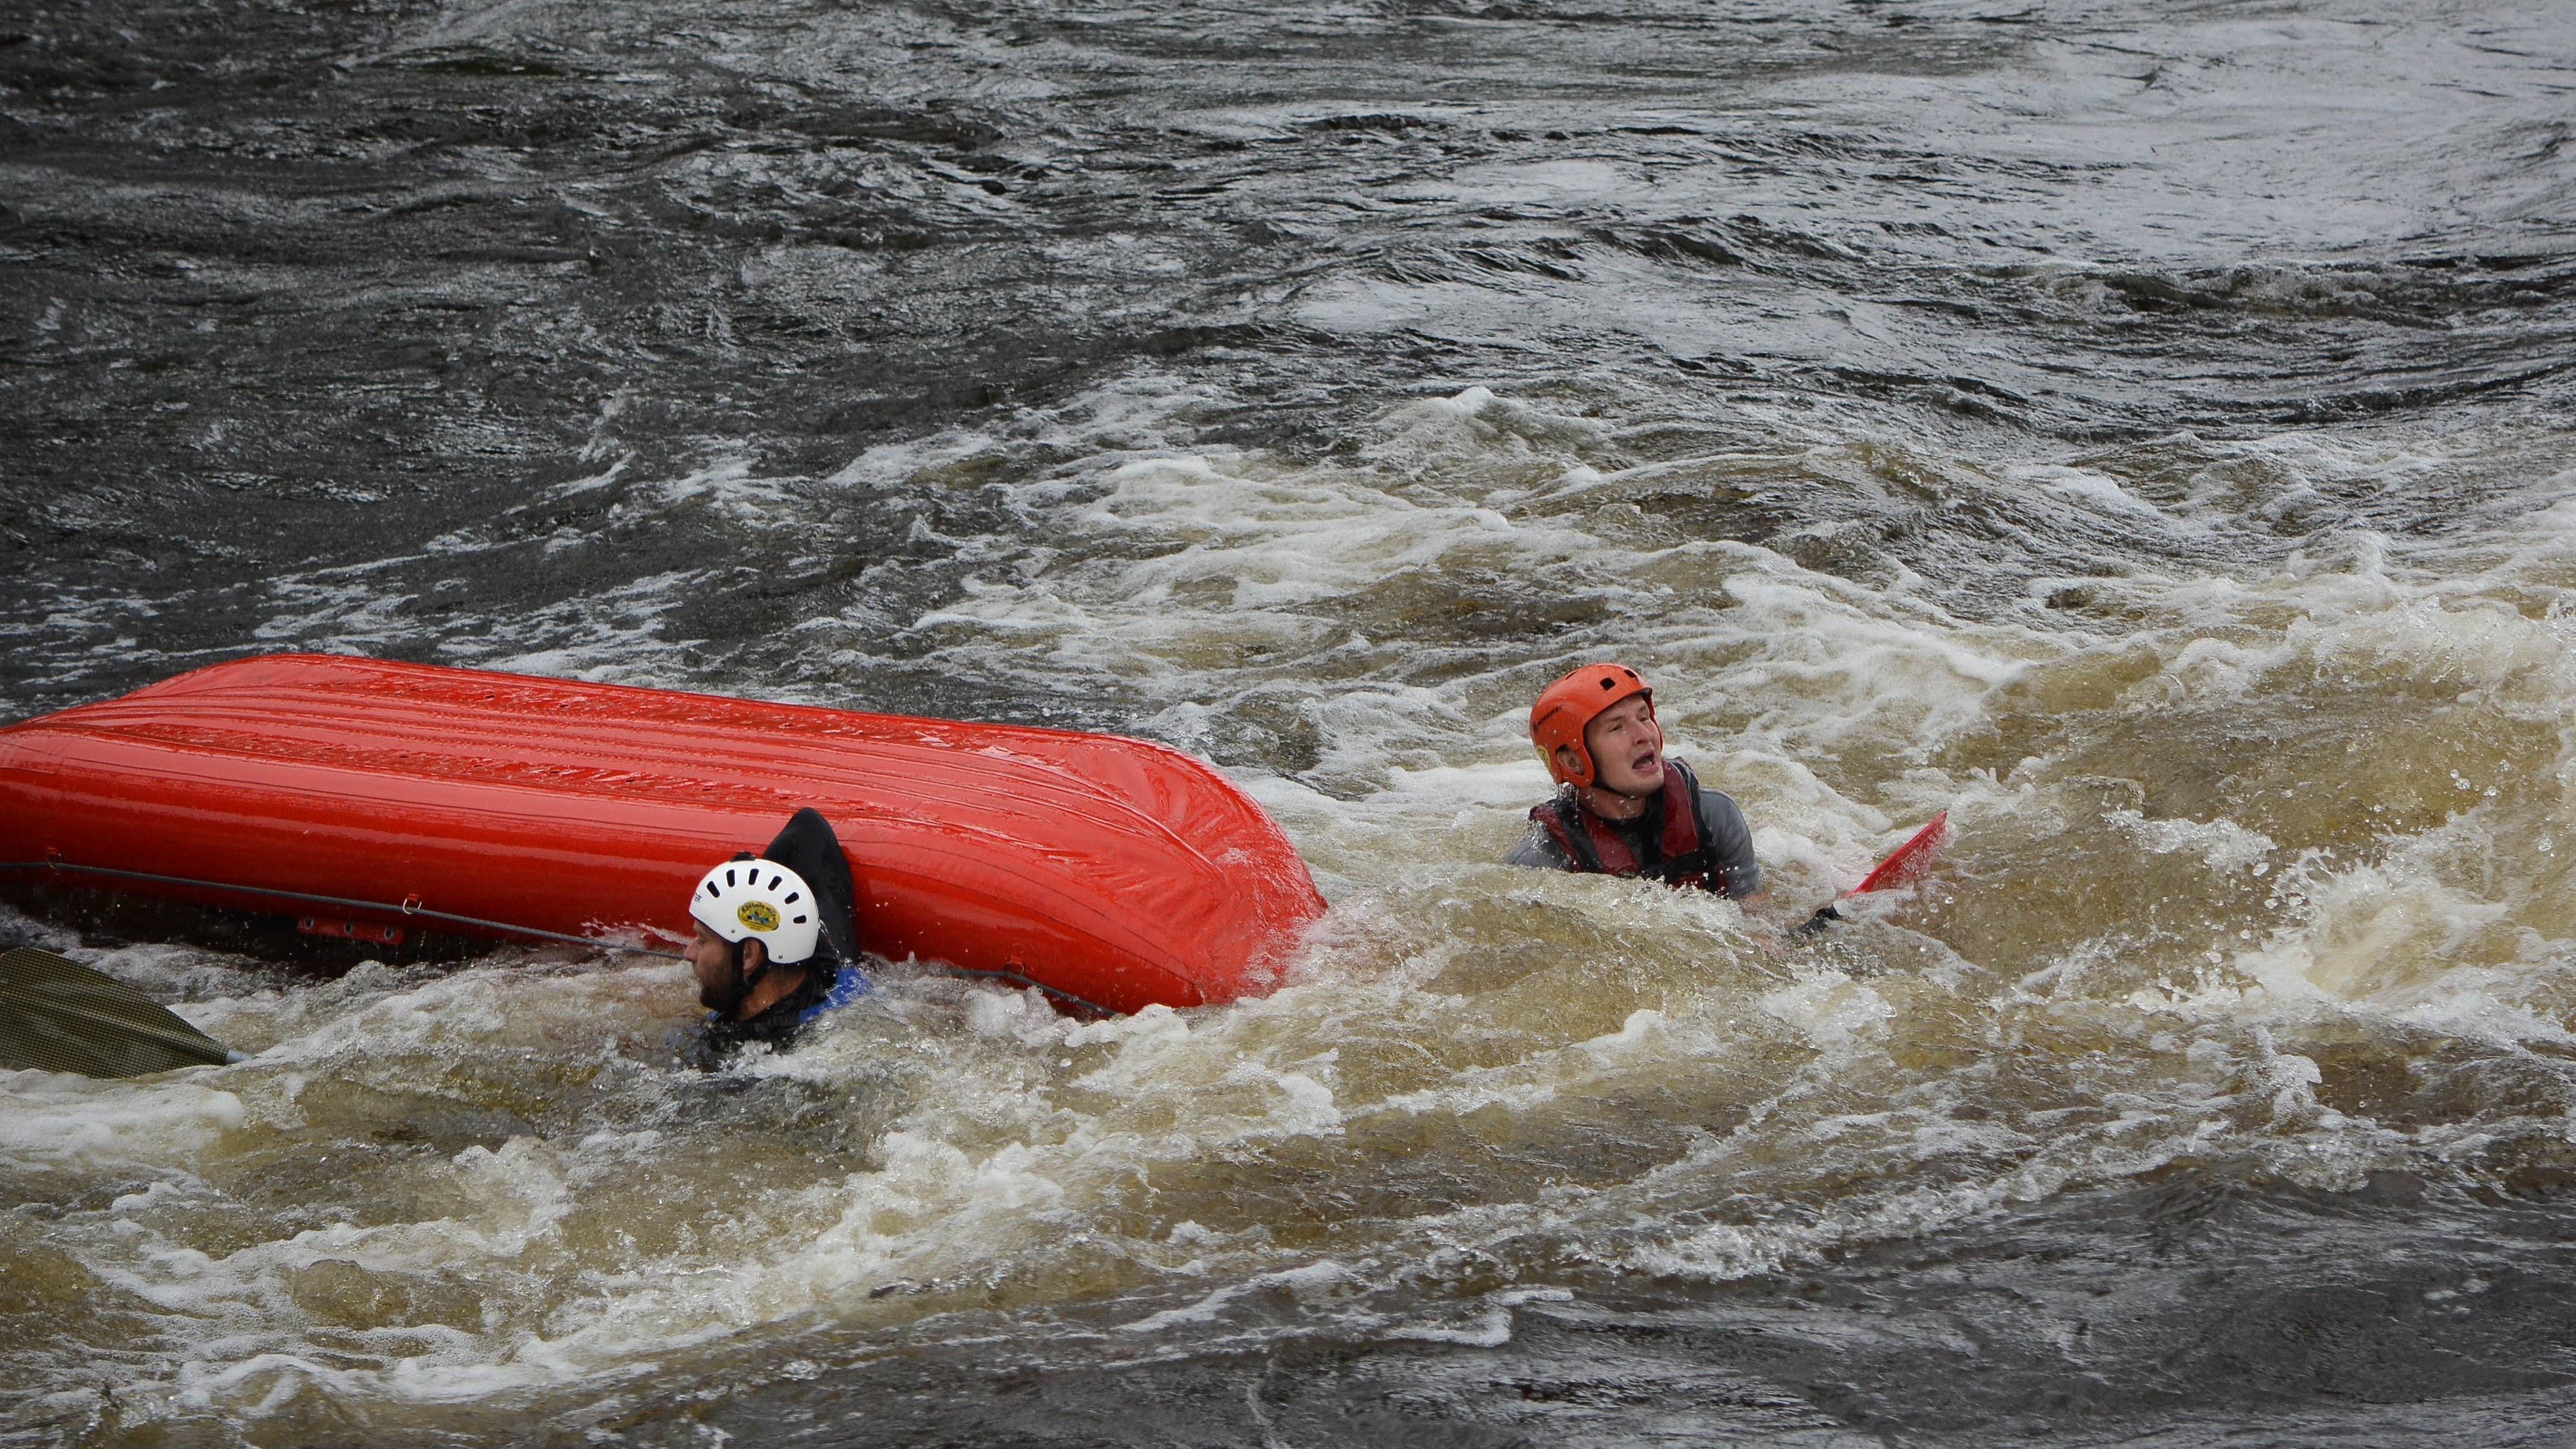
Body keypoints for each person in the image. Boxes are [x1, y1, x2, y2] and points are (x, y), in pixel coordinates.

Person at [1507, 662, 1762, 899]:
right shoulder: (1541, 862)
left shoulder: (1714, 817)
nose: (1644, 735)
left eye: (1643, 718)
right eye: (1617, 728)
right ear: (1573, 762)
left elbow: (1754, 915)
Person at [683, 807, 868, 1055]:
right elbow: (807, 826)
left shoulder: (778, 1055)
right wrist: (759, 890)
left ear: (749, 955)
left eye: (703, 941)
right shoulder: (832, 957)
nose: (688, 953)